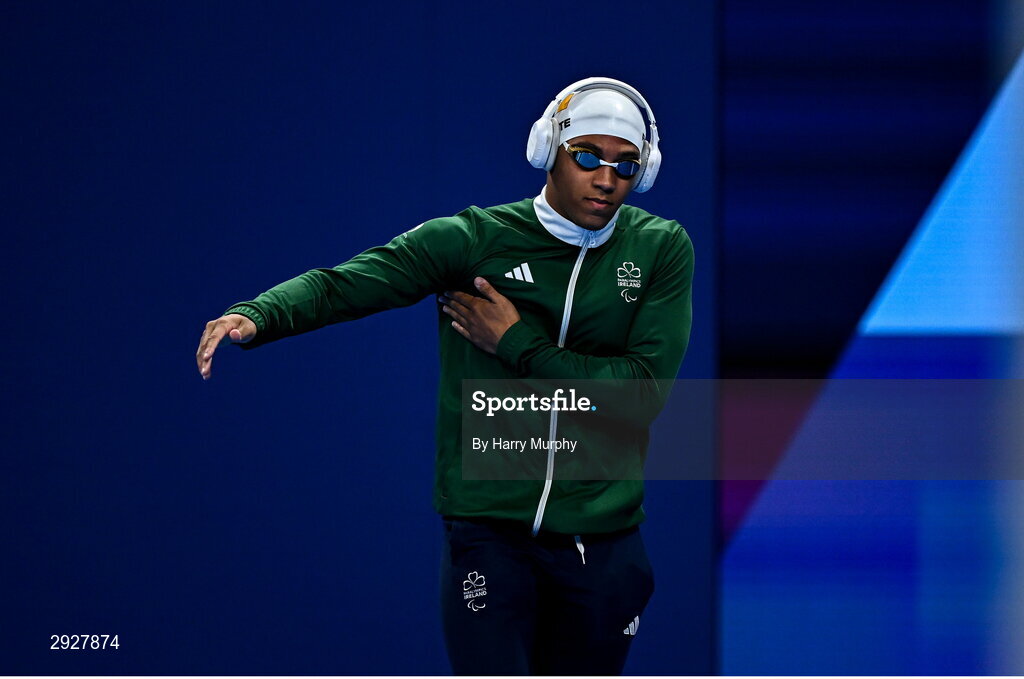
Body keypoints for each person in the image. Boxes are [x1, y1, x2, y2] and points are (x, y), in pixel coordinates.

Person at [195, 77, 693, 675]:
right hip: (490, 531)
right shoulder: (475, 240)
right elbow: (347, 282)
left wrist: (516, 344)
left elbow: (640, 396)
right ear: (548, 151)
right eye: (586, 155)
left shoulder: (660, 248)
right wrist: (259, 314)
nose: (607, 177)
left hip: (604, 539)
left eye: (626, 164)